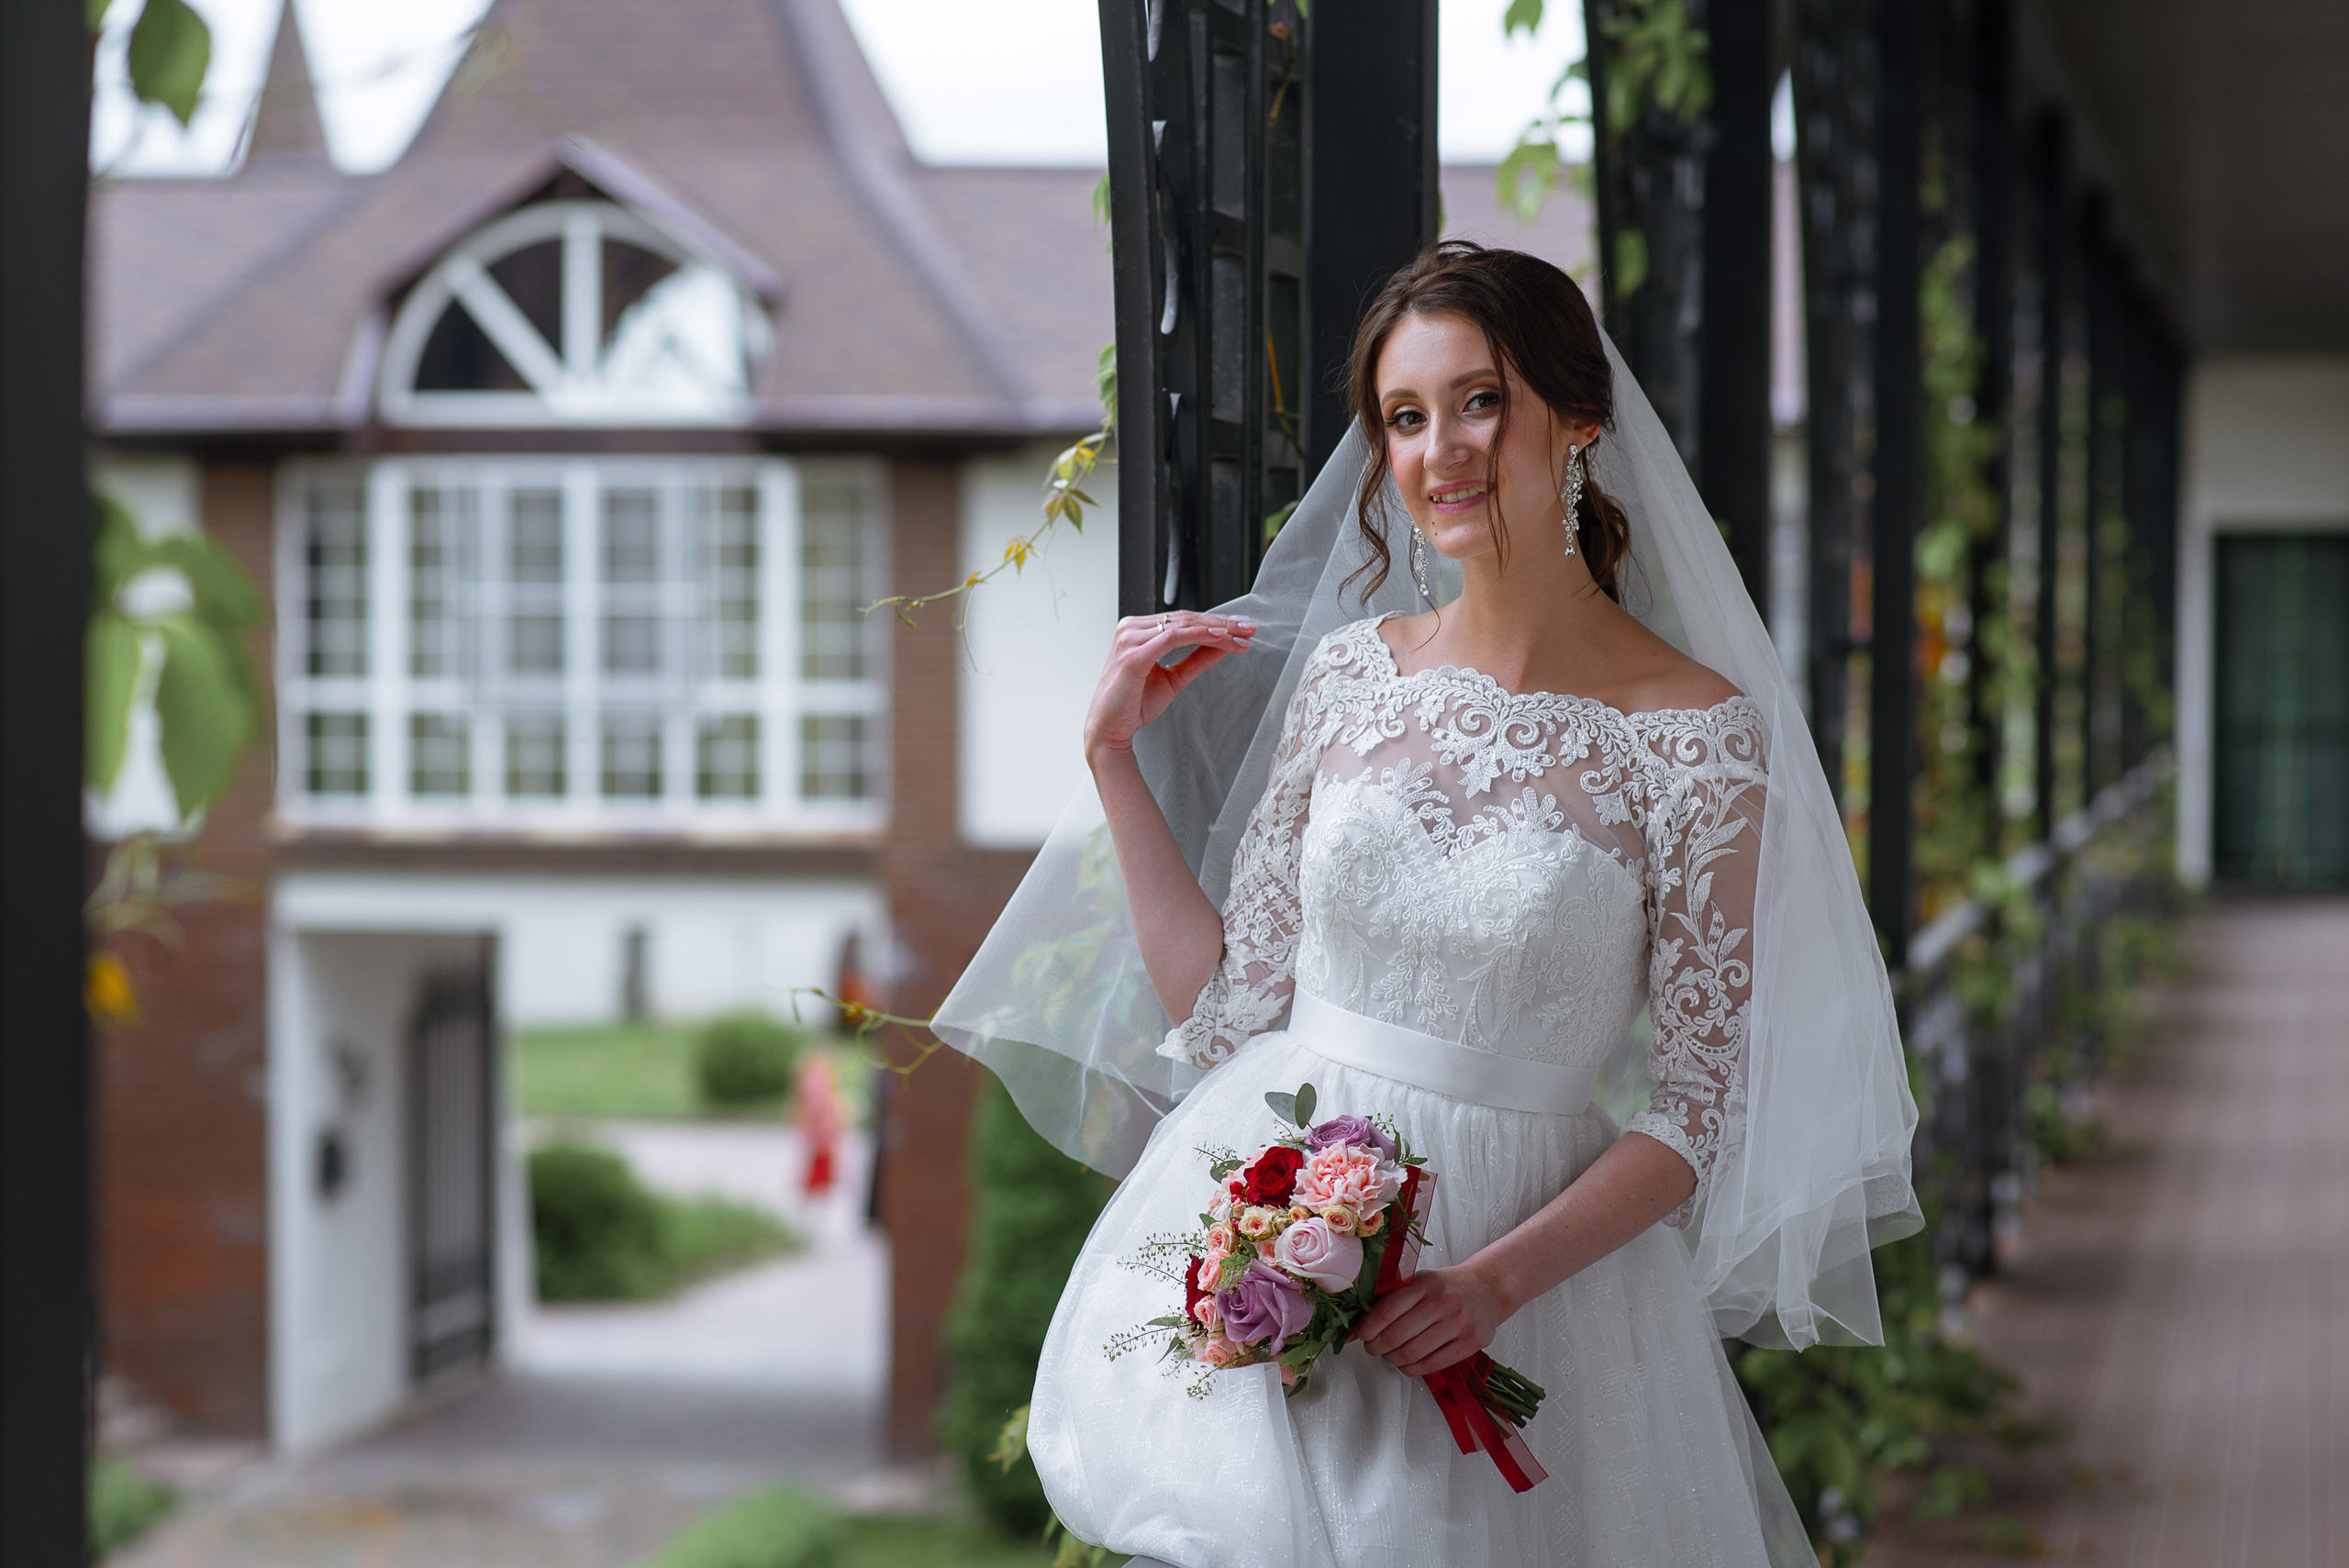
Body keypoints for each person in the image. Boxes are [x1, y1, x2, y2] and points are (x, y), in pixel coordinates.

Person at [934, 242, 1919, 1567]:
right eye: (1404, 416)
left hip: (1532, 1291)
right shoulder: (1352, 676)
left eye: (1479, 400)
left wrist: (1490, 1283)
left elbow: (1698, 1111)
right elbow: (1232, 1013)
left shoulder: (1694, 737)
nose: (1439, 450)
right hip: (1277, 1238)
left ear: (1578, 421)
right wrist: (1113, 760)